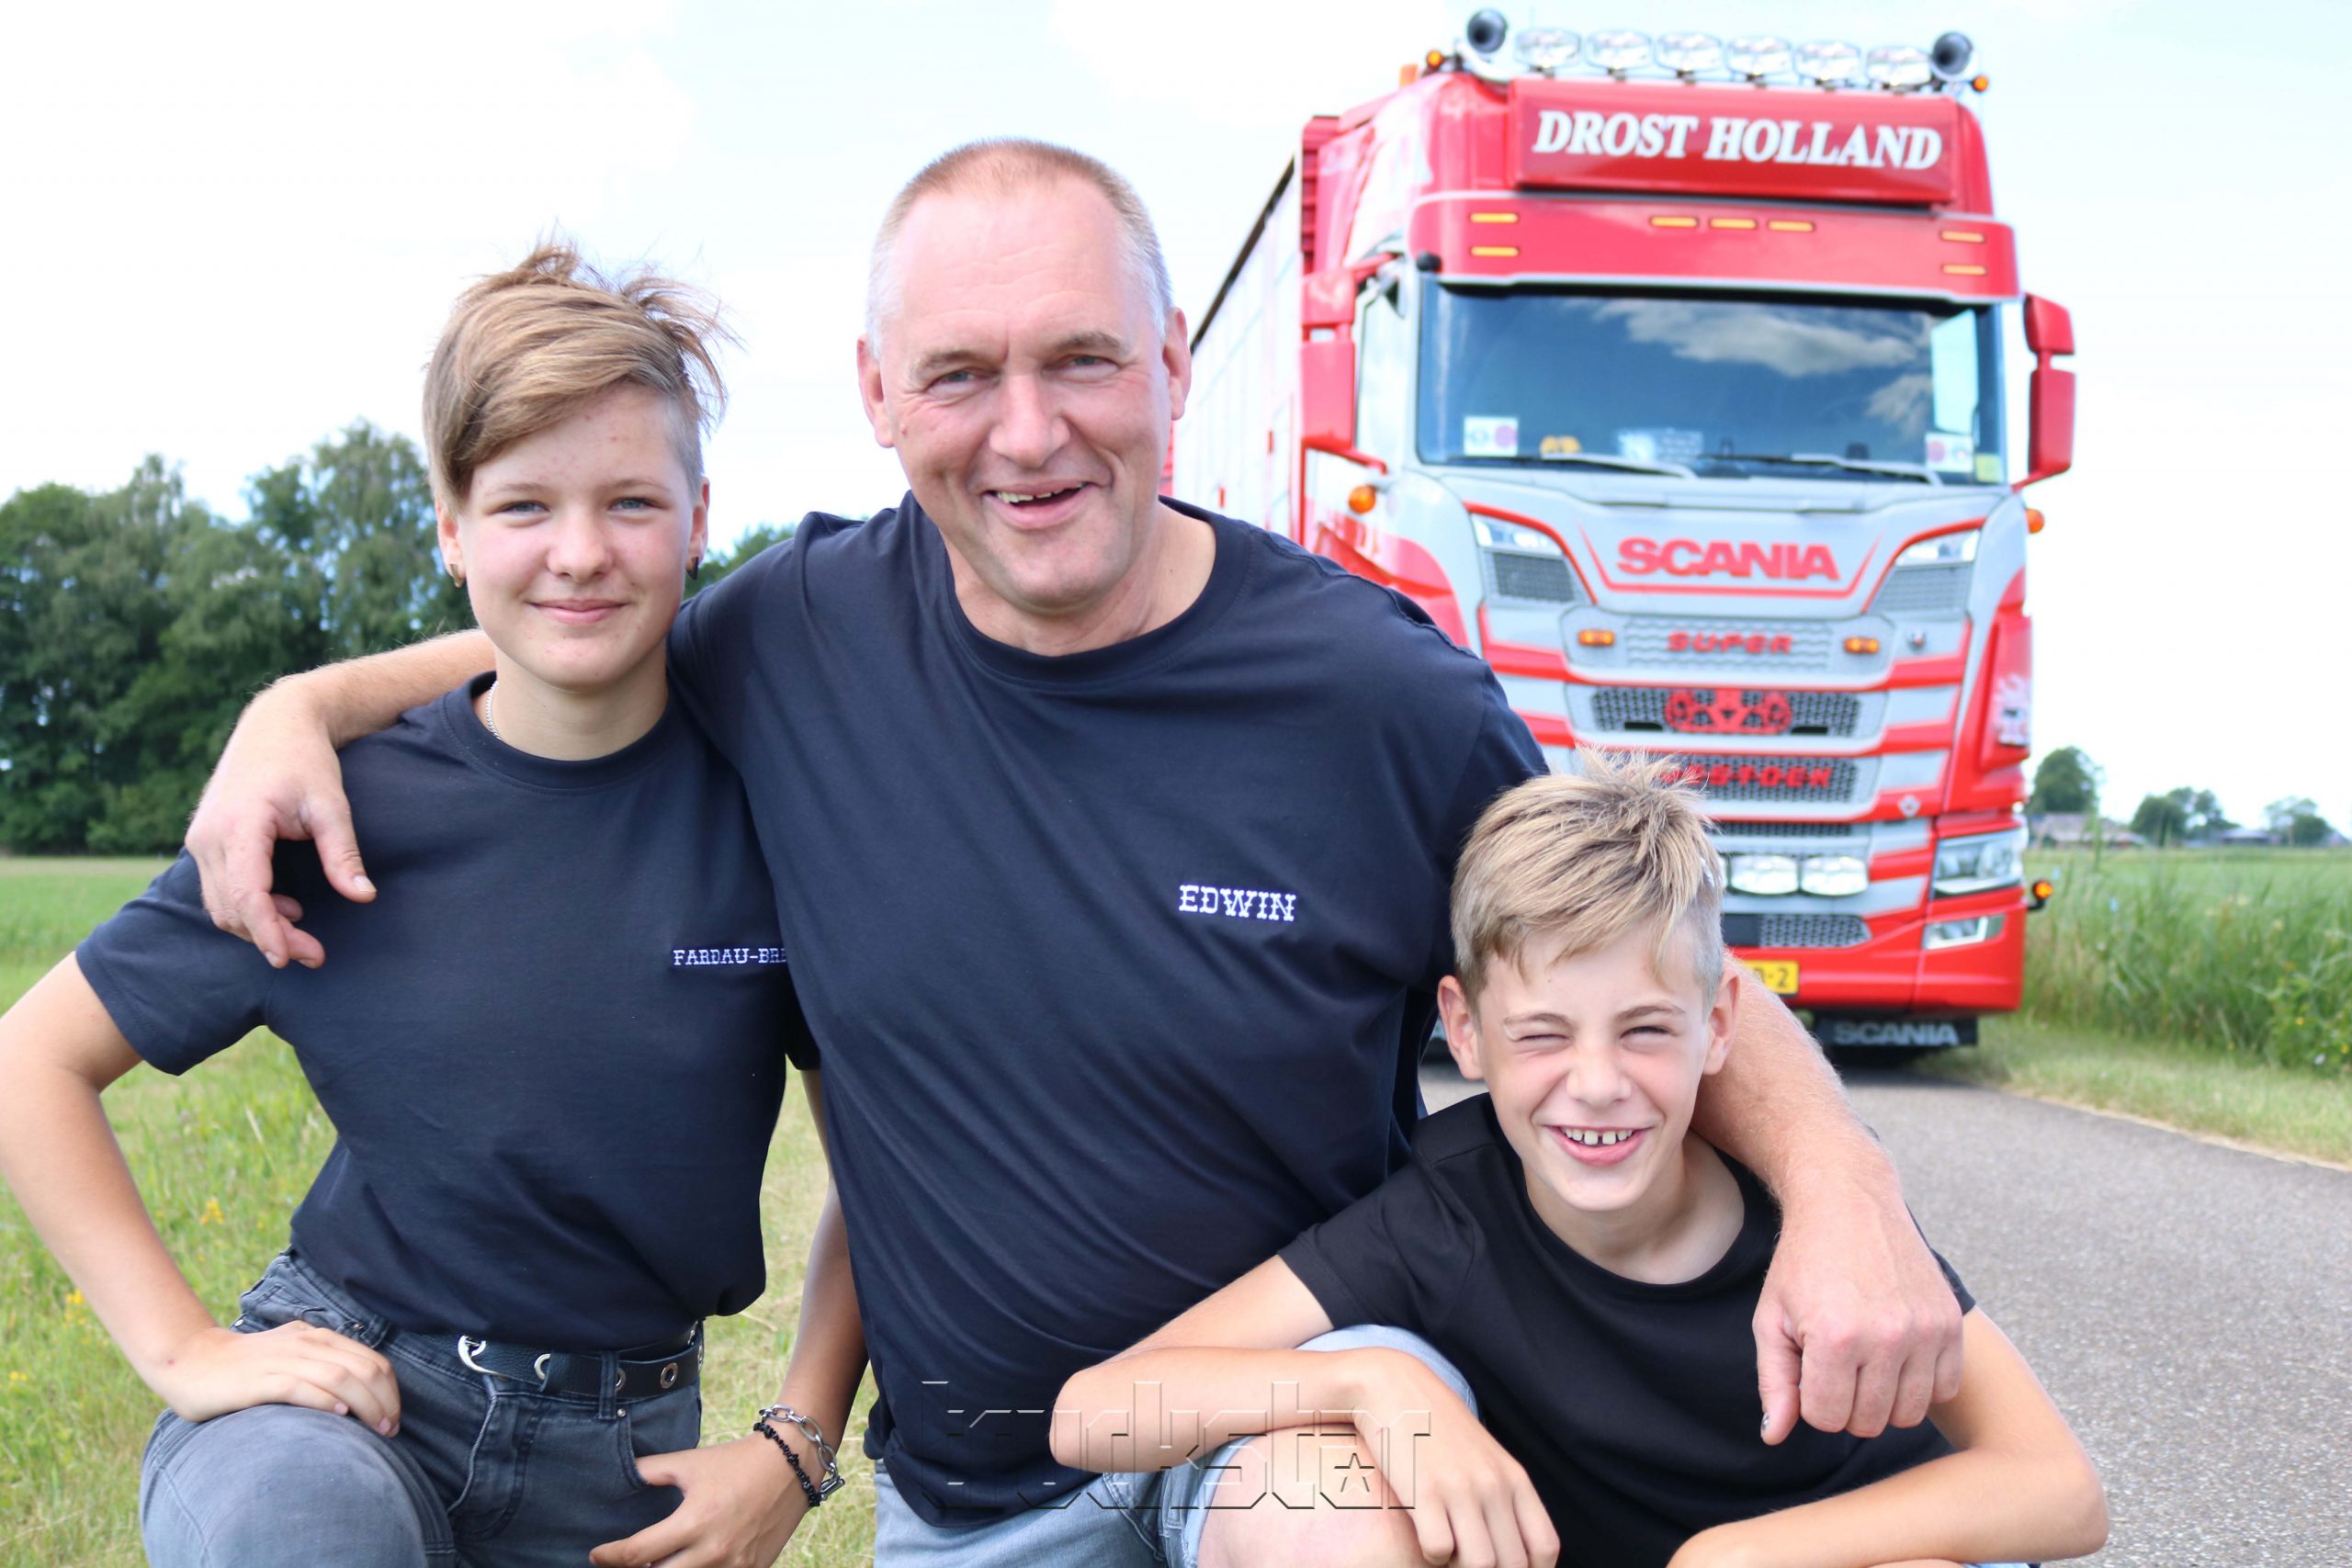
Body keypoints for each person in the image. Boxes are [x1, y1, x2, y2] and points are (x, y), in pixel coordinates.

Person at [182, 141, 1973, 1565]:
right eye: (960, 375)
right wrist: (302, 702)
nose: (1027, 433)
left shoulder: (1372, 695)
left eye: (1082, 361)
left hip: (1287, 1408)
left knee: (1334, 1535)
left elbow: (1623, 946)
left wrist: (1840, 1181)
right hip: (976, 1484)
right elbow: (574, 629)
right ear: (879, 394)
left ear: (1171, 362)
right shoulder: (796, 635)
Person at [0, 246, 863, 1568]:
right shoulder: (334, 810)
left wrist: (797, 1443)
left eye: (631, 502)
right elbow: (31, 1060)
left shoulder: (781, 803)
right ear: (452, 531)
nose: (580, 551)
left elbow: (880, 1152)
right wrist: (183, 1349)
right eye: (523, 506)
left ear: (699, 517)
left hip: (629, 1462)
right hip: (348, 1413)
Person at [1057, 755, 2109, 1568]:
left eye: (1645, 1029)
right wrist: (1374, 1383)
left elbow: (2061, 1488)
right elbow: (1091, 1412)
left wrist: (1729, 1557)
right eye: (1543, 1034)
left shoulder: (1811, 1229)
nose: (1596, 1083)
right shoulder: (1443, 1221)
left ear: (1718, 1025)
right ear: (1465, 1032)